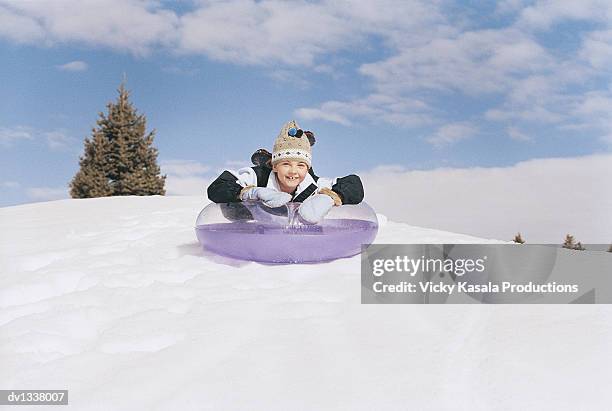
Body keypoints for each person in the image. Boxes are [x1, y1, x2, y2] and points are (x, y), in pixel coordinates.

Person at [207, 120, 364, 224]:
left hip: (286, 219)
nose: (293, 171)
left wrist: (330, 197)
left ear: (308, 168)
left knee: (296, 169)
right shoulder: (257, 176)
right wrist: (250, 193)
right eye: (286, 164)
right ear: (275, 167)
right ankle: (266, 161)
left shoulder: (313, 183)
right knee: (232, 213)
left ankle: (298, 149)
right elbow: (217, 187)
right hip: (253, 215)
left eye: (301, 165)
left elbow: (353, 184)